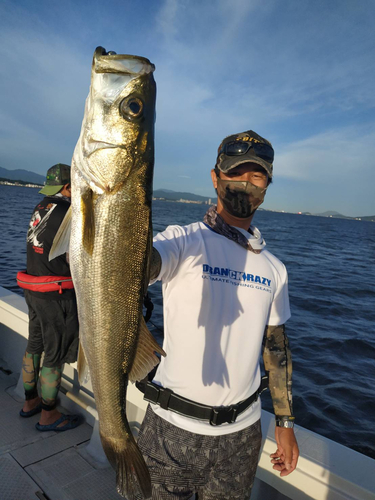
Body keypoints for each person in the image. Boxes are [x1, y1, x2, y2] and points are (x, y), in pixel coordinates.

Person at [136, 130, 299, 499]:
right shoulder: (182, 241)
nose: (245, 183)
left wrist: (285, 423)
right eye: (235, 173)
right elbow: (138, 265)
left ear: (267, 184)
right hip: (172, 431)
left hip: (244, 435)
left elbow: (276, 350)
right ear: (215, 177)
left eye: (256, 175)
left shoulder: (274, 268)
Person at [17, 163, 80, 432]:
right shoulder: (71, 213)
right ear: (69, 187)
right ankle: (48, 415)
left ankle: (29, 403)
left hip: (33, 291)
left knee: (34, 347)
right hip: (56, 296)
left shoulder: (41, 207)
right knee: (53, 355)